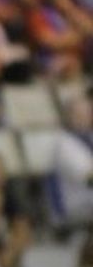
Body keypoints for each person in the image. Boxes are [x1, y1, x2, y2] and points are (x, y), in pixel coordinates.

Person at [49, 91, 93, 226]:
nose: (83, 118)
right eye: (77, 114)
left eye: (87, 113)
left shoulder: (89, 137)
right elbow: (89, 179)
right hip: (76, 204)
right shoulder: (63, 144)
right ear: (68, 116)